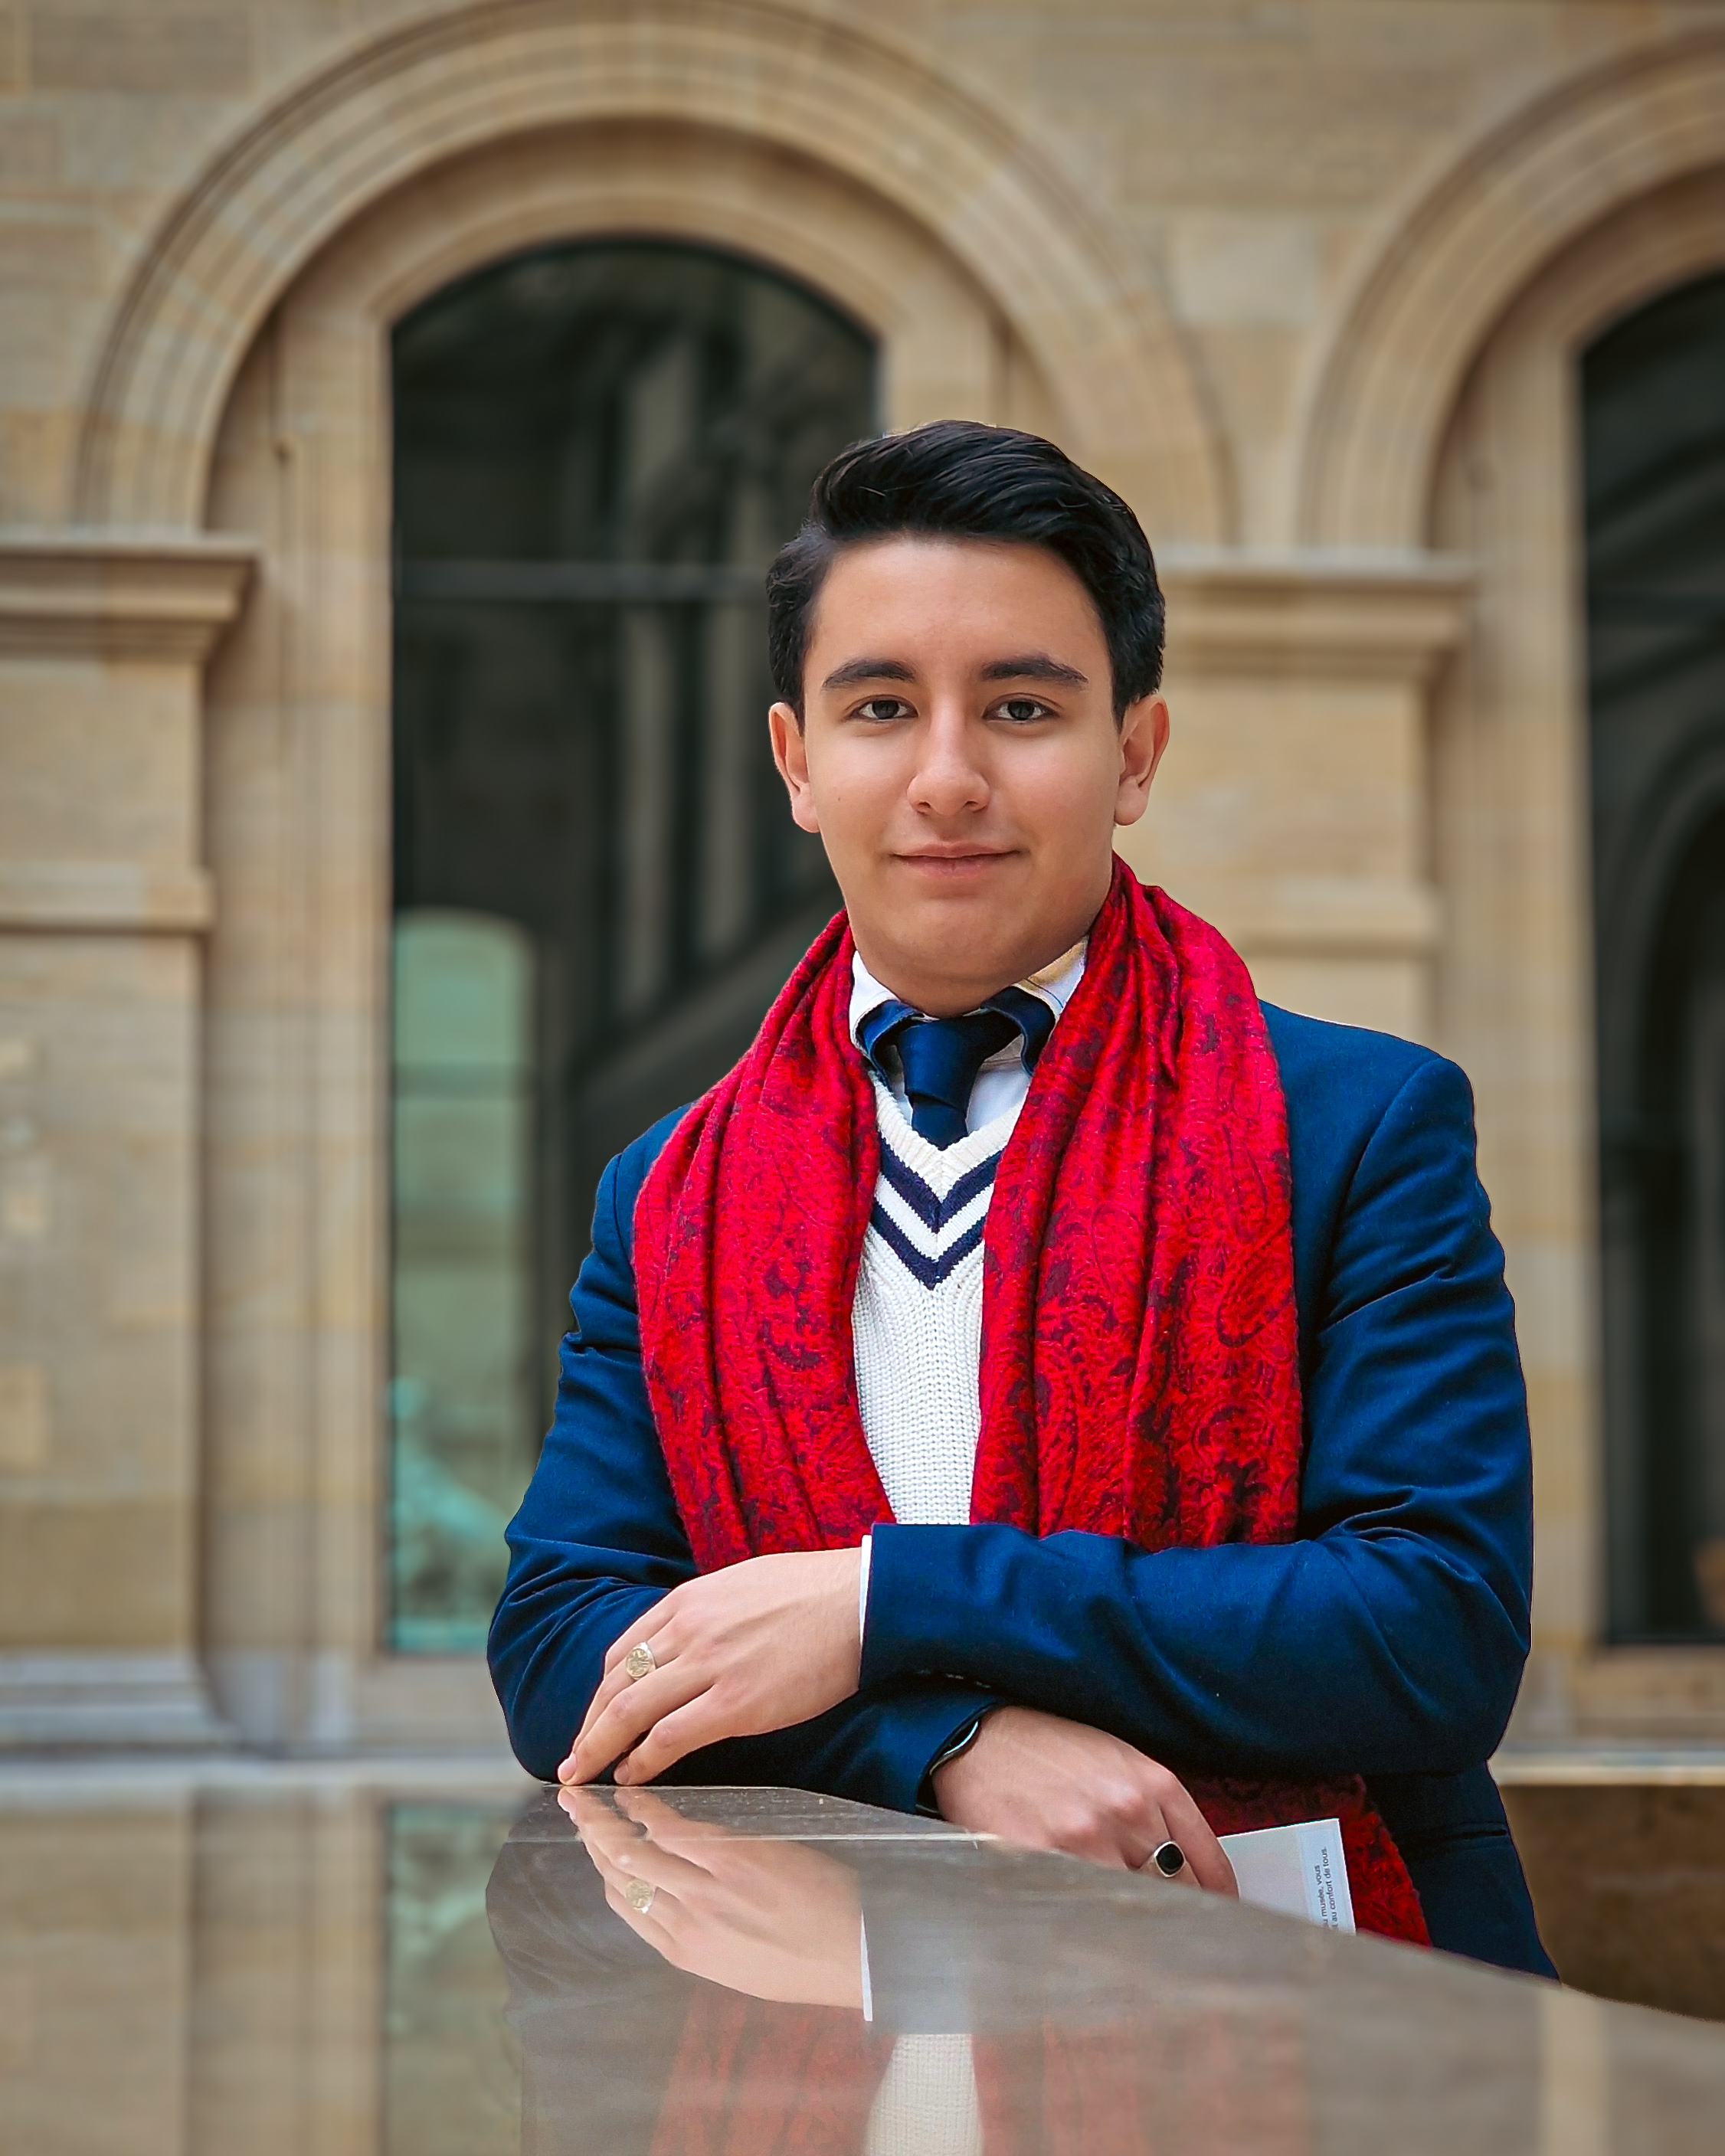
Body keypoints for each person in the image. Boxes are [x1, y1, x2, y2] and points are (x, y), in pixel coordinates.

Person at [489, 420, 1553, 1972]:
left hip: (1325, 2026)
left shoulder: (1356, 1125)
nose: (946, 776)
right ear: (796, 761)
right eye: (879, 707)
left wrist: (883, 1603)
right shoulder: (671, 1192)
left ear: (1132, 752)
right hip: (844, 2024)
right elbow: (561, 1647)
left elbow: (1424, 1627)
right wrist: (941, 1741)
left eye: (1019, 705)